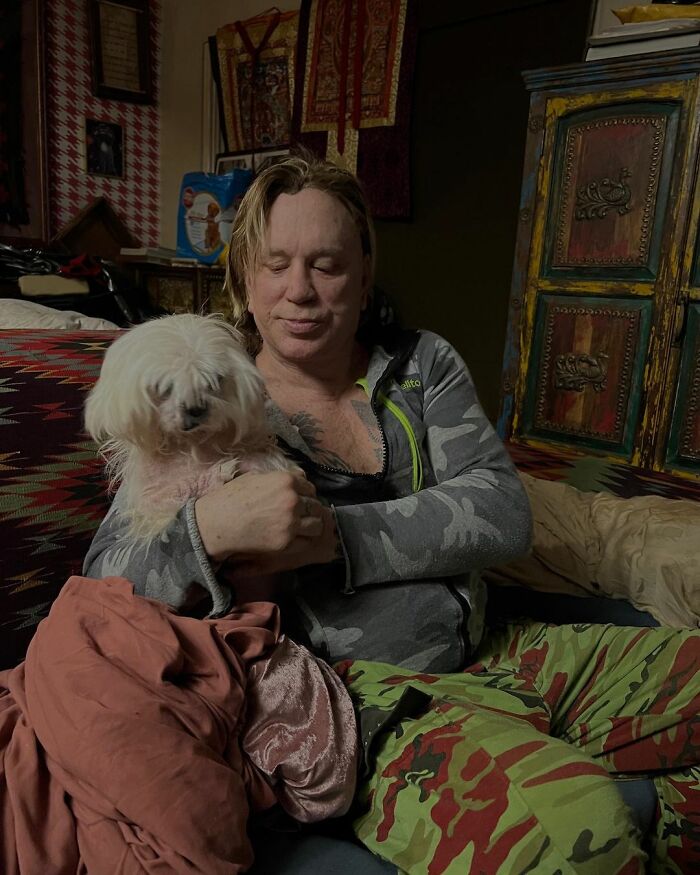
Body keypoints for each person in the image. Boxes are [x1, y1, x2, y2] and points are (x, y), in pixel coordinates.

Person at [84, 154, 700, 874]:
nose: (301, 291)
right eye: (277, 263)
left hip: (496, 644)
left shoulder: (421, 365)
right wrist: (210, 533)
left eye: (327, 264)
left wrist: (330, 538)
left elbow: (501, 510)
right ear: (244, 278)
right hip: (369, 706)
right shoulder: (210, 392)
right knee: (578, 843)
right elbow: (107, 581)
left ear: (365, 273)